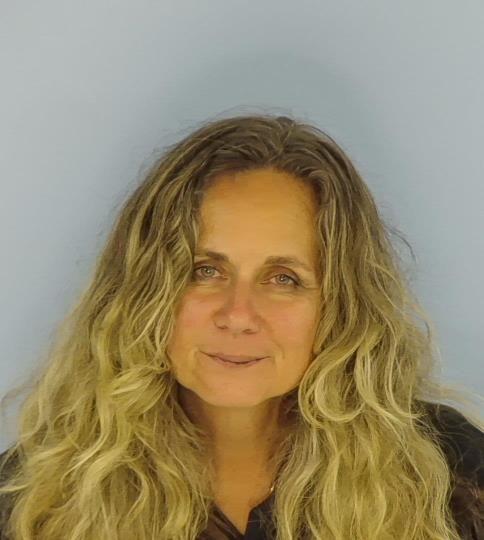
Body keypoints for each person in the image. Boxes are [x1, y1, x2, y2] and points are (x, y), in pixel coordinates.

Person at [0, 113, 483, 539]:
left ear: (342, 305)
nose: (237, 315)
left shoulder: (452, 475)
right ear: (143, 290)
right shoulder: (36, 494)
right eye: (204, 271)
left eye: (284, 278)